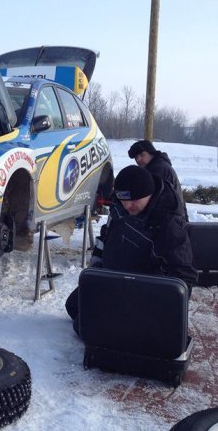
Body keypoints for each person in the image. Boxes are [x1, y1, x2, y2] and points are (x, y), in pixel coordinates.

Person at [65, 165, 197, 335]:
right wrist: (97, 265)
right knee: (73, 307)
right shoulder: (118, 207)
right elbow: (106, 236)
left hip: (141, 291)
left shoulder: (167, 225)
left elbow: (186, 275)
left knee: (84, 327)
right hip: (111, 278)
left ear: (148, 194)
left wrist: (167, 311)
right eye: (123, 199)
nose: (128, 205)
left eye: (134, 200)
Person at [128, 139, 188, 220]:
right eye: (136, 157)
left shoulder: (158, 169)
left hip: (170, 222)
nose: (138, 160)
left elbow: (147, 196)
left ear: (151, 153)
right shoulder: (158, 166)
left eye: (142, 155)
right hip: (174, 218)